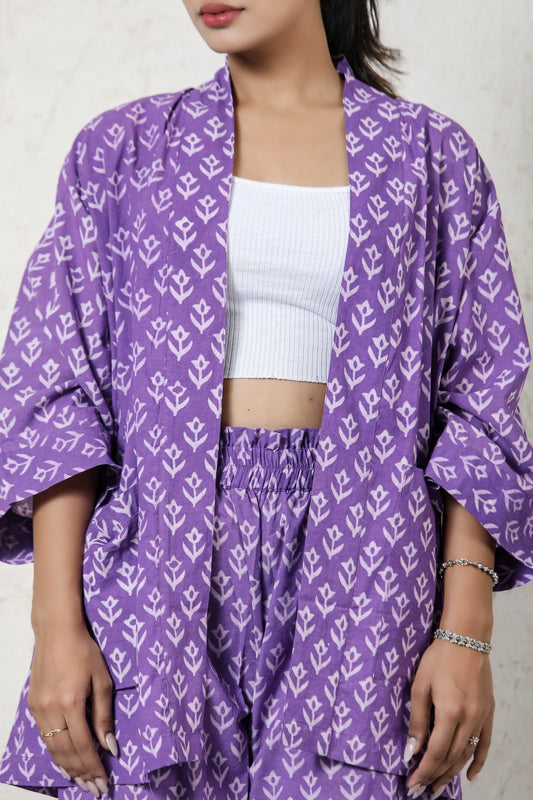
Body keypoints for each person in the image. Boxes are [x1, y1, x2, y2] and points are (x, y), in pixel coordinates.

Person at [0, 1, 532, 799]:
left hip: (370, 560)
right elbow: (60, 395)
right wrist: (55, 627)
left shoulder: (429, 157)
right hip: (157, 559)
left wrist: (466, 630)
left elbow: (478, 402)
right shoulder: (124, 150)